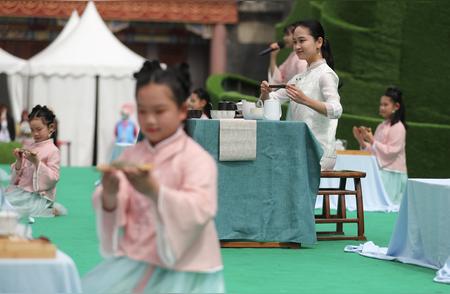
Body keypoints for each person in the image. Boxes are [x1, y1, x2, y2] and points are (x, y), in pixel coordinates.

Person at [82, 60, 224, 293]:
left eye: (159, 111)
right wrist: (110, 193)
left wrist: (156, 192)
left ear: (181, 111)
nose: (149, 120)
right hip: (137, 257)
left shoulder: (196, 159)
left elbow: (201, 209)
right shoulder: (132, 154)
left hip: (188, 268)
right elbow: (119, 203)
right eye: (143, 111)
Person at [260, 20, 342, 170]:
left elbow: (336, 110)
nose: (297, 47)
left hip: (318, 153)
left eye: (302, 41)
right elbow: (273, 99)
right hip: (299, 150)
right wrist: (265, 93)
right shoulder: (299, 78)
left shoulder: (326, 74)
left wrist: (305, 100)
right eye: (295, 42)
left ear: (319, 42)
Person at [5, 105, 66, 219]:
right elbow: (16, 179)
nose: (35, 134)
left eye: (39, 129)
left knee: (11, 209)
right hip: (21, 191)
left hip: (36, 196)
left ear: (51, 128)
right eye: (32, 130)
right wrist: (19, 160)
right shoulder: (29, 146)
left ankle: (48, 209)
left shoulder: (53, 151)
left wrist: (37, 163)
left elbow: (53, 178)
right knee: (4, 202)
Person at [352, 86, 407, 204]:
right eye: (381, 104)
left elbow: (391, 152)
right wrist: (361, 141)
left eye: (385, 105)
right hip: (381, 173)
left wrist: (371, 139)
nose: (381, 107)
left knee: (391, 207)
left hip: (393, 175)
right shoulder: (381, 126)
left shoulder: (399, 127)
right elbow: (375, 150)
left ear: (396, 106)